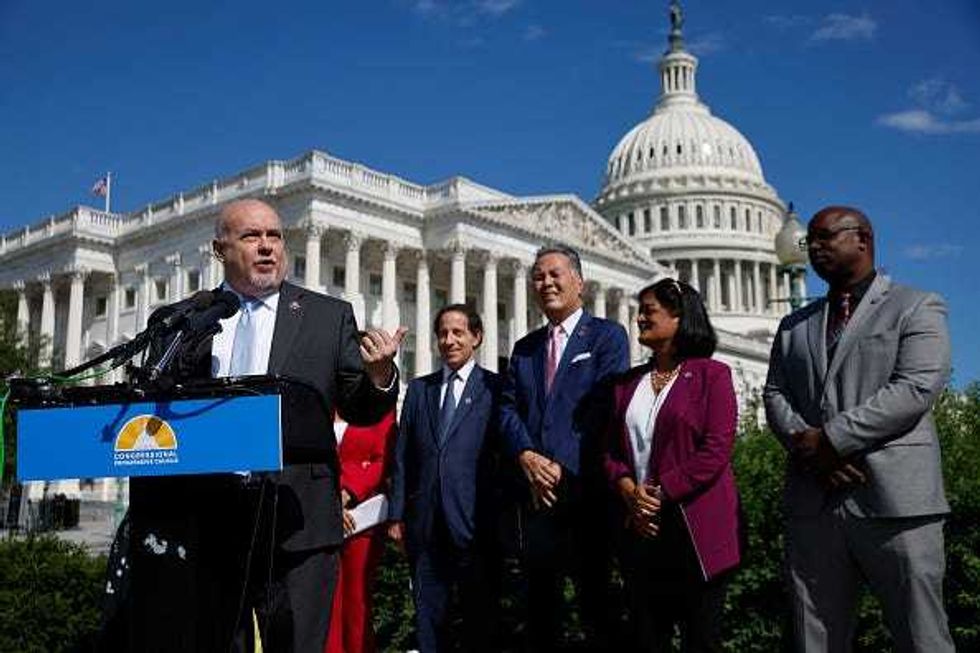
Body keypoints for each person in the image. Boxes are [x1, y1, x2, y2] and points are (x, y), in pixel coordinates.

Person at [121, 198, 404, 653]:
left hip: (299, 518)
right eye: (252, 237)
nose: (267, 246)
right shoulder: (186, 320)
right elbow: (156, 408)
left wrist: (379, 376)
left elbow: (362, 408)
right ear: (220, 249)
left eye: (274, 236)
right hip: (210, 517)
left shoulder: (327, 317)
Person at [764, 205, 954, 652]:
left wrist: (832, 440)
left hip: (897, 504)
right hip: (814, 502)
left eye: (825, 238)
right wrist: (812, 452)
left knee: (922, 636)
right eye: (810, 241)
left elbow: (915, 389)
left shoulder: (917, 306)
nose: (814, 249)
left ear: (862, 240)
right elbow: (775, 396)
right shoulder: (794, 326)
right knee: (817, 640)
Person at [500, 245, 630, 651]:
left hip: (585, 491)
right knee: (541, 610)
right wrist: (525, 454)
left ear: (579, 282)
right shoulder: (525, 348)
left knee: (596, 607)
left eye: (555, 274)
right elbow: (506, 408)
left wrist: (559, 465)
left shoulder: (607, 336)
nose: (546, 283)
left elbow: (603, 405)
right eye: (538, 276)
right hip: (537, 495)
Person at [603, 278, 740, 652]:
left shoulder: (713, 376)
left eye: (648, 311)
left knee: (701, 638)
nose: (639, 319)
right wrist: (630, 490)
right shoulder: (626, 384)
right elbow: (611, 452)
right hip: (640, 527)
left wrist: (660, 493)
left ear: (679, 317)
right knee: (648, 636)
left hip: (695, 527)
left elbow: (715, 450)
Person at [388, 304, 501, 652]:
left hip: (475, 523)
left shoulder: (495, 389)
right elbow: (403, 455)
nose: (449, 341)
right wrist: (396, 515)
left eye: (458, 333)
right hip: (425, 523)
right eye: (443, 334)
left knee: (477, 619)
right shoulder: (420, 391)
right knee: (428, 619)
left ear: (476, 337)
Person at [325, 407, 397, 653]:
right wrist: (330, 501)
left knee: (357, 605)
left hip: (361, 520)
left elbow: (382, 460)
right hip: (323, 514)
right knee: (327, 608)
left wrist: (347, 492)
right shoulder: (323, 399)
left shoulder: (378, 404)